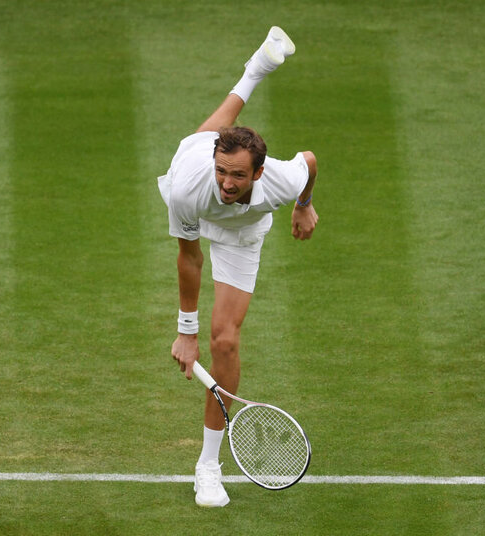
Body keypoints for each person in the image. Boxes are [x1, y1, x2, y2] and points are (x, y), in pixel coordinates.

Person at [157, 26, 319, 507]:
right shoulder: (193, 183)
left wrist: (303, 206)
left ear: (260, 174)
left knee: (224, 339)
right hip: (197, 192)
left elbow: (309, 161)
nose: (228, 183)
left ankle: (208, 465)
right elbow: (189, 256)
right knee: (214, 128)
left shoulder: (279, 180)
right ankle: (257, 67)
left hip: (243, 234)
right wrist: (185, 331)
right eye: (223, 171)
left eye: (239, 175)